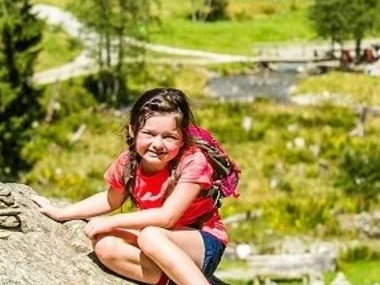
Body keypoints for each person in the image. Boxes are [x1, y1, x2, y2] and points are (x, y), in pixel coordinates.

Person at [43, 87, 240, 285]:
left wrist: (112, 222)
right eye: (149, 133)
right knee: (105, 245)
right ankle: (172, 280)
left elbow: (167, 217)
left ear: (183, 138)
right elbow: (110, 199)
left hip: (201, 244)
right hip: (158, 242)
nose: (157, 144)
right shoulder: (128, 163)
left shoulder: (193, 162)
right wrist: (61, 213)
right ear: (133, 130)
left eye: (169, 137)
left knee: (150, 235)